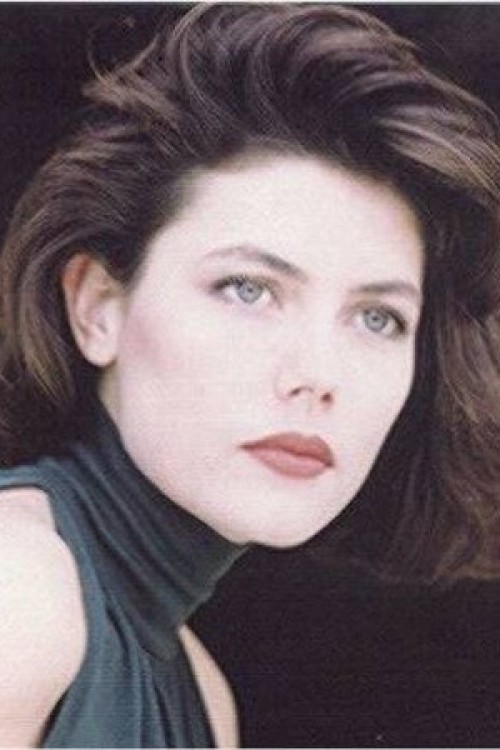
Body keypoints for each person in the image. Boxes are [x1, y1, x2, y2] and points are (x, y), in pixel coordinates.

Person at [0, 3, 499, 747]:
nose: (317, 375)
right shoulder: (20, 590)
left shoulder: (204, 694)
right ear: (98, 307)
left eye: (377, 318)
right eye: (248, 289)